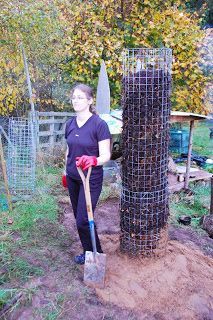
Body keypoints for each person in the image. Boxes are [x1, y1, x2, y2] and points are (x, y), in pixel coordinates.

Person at [64, 83, 111, 265]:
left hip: (90, 179)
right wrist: (64, 171)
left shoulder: (99, 125)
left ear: (90, 101)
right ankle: (87, 251)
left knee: (84, 219)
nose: (75, 101)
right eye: (74, 97)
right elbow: (68, 150)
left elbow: (105, 154)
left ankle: (96, 254)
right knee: (79, 218)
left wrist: (93, 160)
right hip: (73, 177)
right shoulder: (69, 124)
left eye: (80, 97)